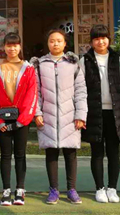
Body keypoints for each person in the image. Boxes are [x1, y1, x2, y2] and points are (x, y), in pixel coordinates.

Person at [32, 29, 87, 205]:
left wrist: (81, 115)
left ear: (65, 43)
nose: (55, 43)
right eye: (52, 41)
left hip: (70, 116)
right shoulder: (40, 65)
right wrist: (37, 113)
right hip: (47, 116)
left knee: (71, 153)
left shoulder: (73, 64)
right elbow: (35, 92)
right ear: (47, 43)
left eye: (59, 41)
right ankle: (53, 190)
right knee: (51, 154)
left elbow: (81, 91)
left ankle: (72, 189)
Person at [80, 25, 120, 204]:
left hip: (115, 113)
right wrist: (82, 114)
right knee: (96, 152)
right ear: (91, 42)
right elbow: (81, 90)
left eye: (103, 38)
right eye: (96, 38)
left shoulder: (117, 59)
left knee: (113, 152)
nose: (100, 41)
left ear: (109, 39)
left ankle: (112, 188)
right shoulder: (85, 60)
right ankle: (100, 188)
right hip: (94, 112)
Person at [0, 33, 38, 206]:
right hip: (2, 120)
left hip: (21, 120)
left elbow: (32, 95)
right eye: (9, 45)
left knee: (20, 155)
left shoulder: (28, 68)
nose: (12, 48)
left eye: (15, 45)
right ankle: (6, 191)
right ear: (4, 47)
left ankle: (20, 190)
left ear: (20, 46)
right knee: (5, 155)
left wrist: (22, 120)